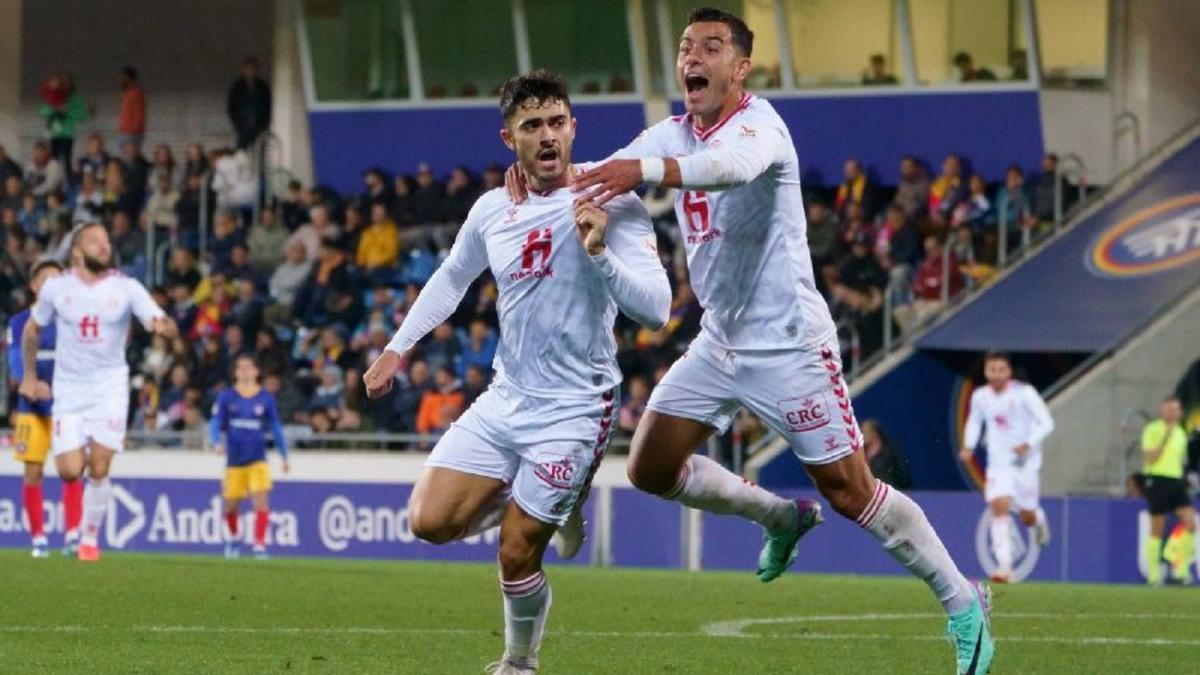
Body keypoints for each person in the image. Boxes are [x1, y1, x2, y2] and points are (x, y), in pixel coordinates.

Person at [518, 8, 993, 672]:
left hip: (791, 345)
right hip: (720, 341)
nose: (694, 56)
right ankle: (777, 517)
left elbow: (726, 169)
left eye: (711, 47)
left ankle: (963, 599)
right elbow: (612, 168)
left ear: (740, 67)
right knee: (649, 465)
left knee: (852, 490)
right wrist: (544, 178)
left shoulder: (762, 129)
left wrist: (643, 172)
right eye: (687, 46)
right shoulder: (674, 131)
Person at [362, 70, 670, 675]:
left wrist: (600, 253)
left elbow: (656, 312)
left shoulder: (614, 200)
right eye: (533, 126)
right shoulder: (492, 209)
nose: (548, 135)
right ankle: (555, 500)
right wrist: (398, 347)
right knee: (428, 522)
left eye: (557, 122)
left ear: (574, 127)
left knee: (515, 549)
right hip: (507, 397)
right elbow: (453, 277)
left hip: (576, 407)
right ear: (510, 139)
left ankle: (519, 663)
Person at [18, 222, 177, 562]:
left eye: (106, 240)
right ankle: (82, 522)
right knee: (70, 471)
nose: (104, 246)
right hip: (70, 389)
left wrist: (163, 325)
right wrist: (29, 376)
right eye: (94, 241)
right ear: (77, 251)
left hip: (109, 386)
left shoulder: (127, 287)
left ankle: (89, 538)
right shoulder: (57, 289)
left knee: (100, 467)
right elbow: (32, 331)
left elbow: (159, 318)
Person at [7, 259, 85, 557]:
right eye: (46, 280)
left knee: (72, 472)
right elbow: (16, 369)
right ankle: (38, 539)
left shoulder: (73, 321)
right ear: (34, 286)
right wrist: (30, 383)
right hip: (32, 408)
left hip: (66, 408)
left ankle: (73, 536)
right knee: (32, 473)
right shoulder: (19, 322)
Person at [960, 351, 1054, 583]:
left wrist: (1028, 443)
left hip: (1025, 463)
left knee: (1027, 516)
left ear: (1009, 371)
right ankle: (1004, 566)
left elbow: (1046, 421)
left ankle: (1039, 519)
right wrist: (969, 446)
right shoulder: (980, 396)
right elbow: (974, 421)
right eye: (992, 370)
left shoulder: (1024, 393)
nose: (996, 375)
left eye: (1001, 370)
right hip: (998, 462)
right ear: (985, 372)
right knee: (999, 506)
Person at [209, 353, 290, 560]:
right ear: (236, 372)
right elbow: (216, 422)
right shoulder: (227, 397)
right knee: (230, 506)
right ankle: (235, 538)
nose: (245, 371)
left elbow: (275, 427)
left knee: (261, 502)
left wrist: (284, 455)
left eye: (248, 367)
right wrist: (216, 441)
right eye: (241, 368)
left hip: (257, 458)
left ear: (256, 371)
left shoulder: (265, 398)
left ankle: (259, 545)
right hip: (234, 460)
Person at [1139, 396, 1195, 585]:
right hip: (1157, 480)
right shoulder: (1152, 429)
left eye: (1175, 409)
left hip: (1176, 481)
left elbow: (1181, 460)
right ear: (1162, 410)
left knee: (1190, 522)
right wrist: (1165, 437)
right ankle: (1154, 575)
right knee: (1157, 528)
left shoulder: (1181, 433)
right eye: (1169, 409)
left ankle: (1180, 569)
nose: (1172, 413)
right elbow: (1150, 457)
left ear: (1180, 412)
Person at [227, 56, 272, 150]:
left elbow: (268, 105)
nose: (251, 71)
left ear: (257, 70)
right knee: (241, 151)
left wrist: (265, 123)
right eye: (248, 69)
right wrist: (237, 123)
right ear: (244, 70)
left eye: (253, 69)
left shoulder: (263, 86)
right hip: (243, 125)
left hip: (259, 125)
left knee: (260, 150)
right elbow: (231, 106)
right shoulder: (237, 86)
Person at [116, 66, 146, 150]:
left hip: (130, 134)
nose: (118, 80)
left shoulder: (136, 93)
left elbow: (140, 115)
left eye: (121, 77)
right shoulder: (127, 93)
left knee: (129, 160)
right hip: (125, 132)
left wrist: (133, 133)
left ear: (128, 78)